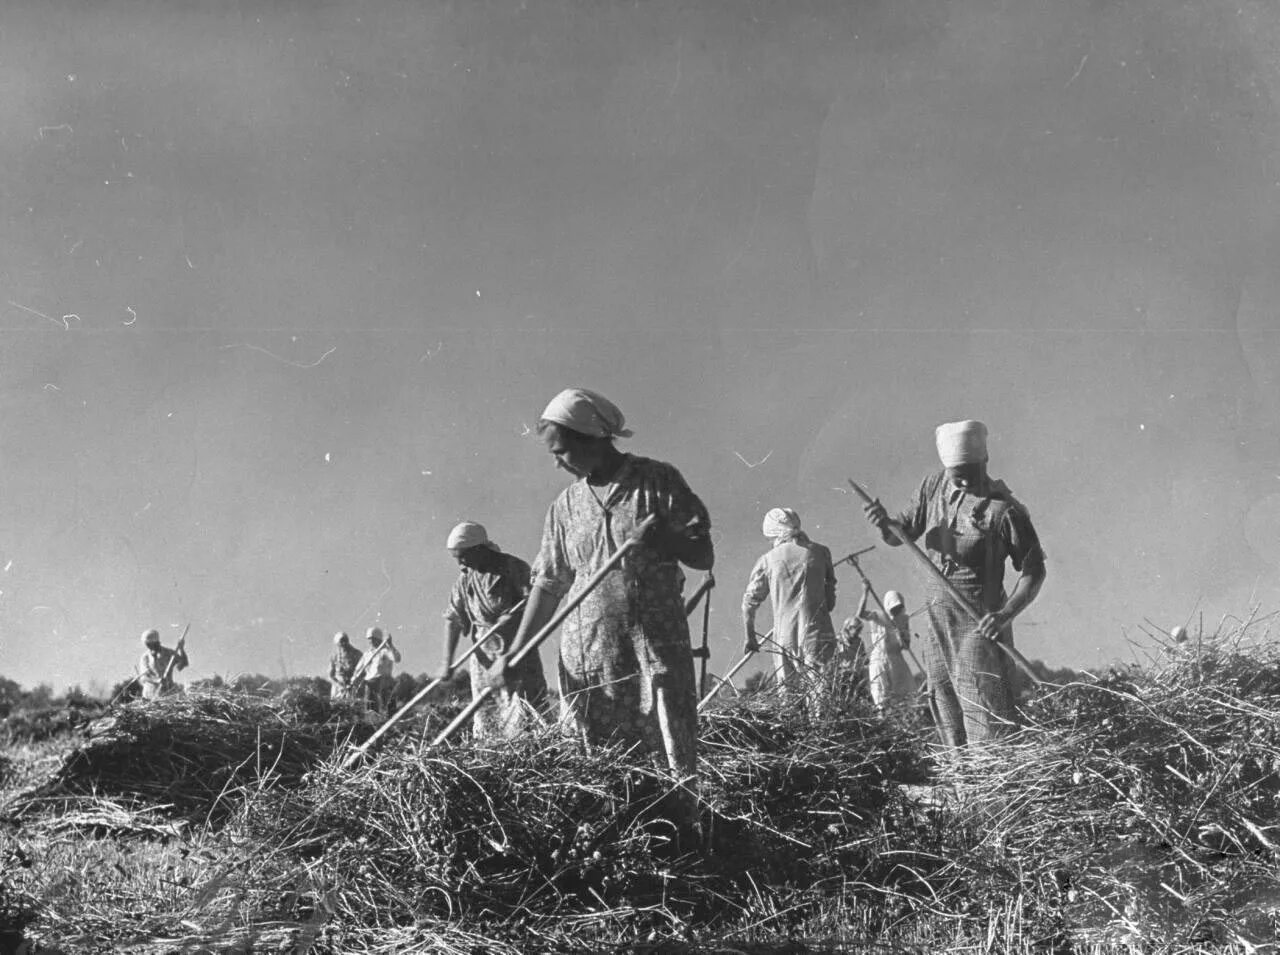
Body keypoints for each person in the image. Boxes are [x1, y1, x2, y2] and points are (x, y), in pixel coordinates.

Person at [494, 387, 713, 796]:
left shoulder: (657, 480)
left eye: (561, 452)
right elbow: (548, 584)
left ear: (591, 438)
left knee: (667, 757)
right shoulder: (564, 507)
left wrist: (660, 538)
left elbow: (702, 554)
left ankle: (682, 844)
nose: (558, 464)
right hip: (590, 657)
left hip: (652, 647)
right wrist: (516, 652)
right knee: (598, 771)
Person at [862, 419, 1046, 747]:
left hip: (980, 622)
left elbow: (1034, 572)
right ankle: (962, 789)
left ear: (985, 462)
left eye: (969, 471)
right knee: (945, 704)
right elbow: (899, 533)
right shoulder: (933, 487)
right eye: (954, 471)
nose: (960, 478)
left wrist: (1005, 615)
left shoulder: (1005, 511)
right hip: (937, 620)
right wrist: (883, 523)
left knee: (981, 706)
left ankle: (991, 789)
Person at [439, 521, 549, 739]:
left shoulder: (513, 568)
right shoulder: (464, 580)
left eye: (463, 555)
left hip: (516, 653)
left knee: (524, 715)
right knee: (488, 717)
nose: (460, 562)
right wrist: (446, 661)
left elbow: (536, 601)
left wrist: (515, 615)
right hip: (483, 660)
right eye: (456, 557)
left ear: (479, 549)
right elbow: (453, 619)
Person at [741, 508, 838, 698]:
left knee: (789, 698)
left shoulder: (768, 560)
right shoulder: (821, 552)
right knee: (820, 694)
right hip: (816, 631)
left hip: (784, 636)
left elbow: (749, 602)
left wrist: (750, 636)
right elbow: (831, 603)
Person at [849, 585, 915, 710]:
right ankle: (883, 719)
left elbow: (906, 646)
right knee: (881, 695)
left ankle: (903, 722)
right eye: (894, 607)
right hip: (879, 659)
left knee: (903, 695)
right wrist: (865, 592)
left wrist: (902, 634)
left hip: (896, 659)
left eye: (898, 607)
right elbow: (860, 614)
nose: (896, 610)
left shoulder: (903, 619)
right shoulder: (877, 616)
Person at [357, 627, 401, 714]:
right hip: (370, 684)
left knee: (387, 708)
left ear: (378, 639)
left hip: (384, 682)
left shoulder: (385, 651)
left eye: (372, 639)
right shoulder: (367, 654)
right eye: (369, 639)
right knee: (370, 709)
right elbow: (358, 669)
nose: (370, 642)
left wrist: (391, 645)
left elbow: (397, 659)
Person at [137, 628, 188, 700]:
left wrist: (181, 649)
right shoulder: (145, 657)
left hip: (168, 692)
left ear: (156, 642)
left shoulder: (169, 653)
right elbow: (143, 677)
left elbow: (183, 664)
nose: (149, 646)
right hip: (150, 694)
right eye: (147, 644)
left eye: (151, 644)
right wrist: (157, 680)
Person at [328, 631, 361, 700]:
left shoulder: (356, 654)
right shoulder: (334, 656)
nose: (343, 643)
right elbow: (330, 676)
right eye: (341, 641)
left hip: (353, 687)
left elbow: (362, 671)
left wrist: (355, 682)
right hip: (338, 689)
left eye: (345, 640)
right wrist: (339, 685)